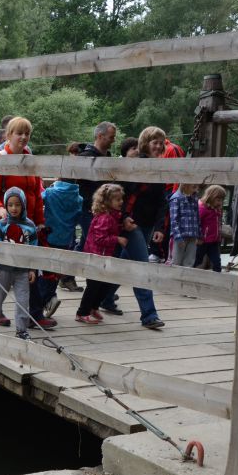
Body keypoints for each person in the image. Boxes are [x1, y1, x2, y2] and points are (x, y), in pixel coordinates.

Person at [0, 117, 53, 329]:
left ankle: (33, 313)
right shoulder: (1, 158)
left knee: (27, 267)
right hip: (0, 221)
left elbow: (36, 193)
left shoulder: (30, 159)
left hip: (26, 223)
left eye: (26, 134)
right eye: (18, 133)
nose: (23, 137)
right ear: (8, 135)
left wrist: (39, 222)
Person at [100, 126, 167, 329]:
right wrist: (125, 218)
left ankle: (105, 298)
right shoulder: (136, 165)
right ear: (145, 144)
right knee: (141, 268)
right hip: (131, 224)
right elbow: (123, 195)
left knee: (124, 264)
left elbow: (162, 201)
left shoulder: (160, 167)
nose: (158, 146)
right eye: (154, 142)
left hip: (146, 224)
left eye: (161, 142)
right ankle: (149, 315)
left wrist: (160, 227)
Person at [67, 122, 117, 292]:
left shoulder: (107, 157)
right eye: (111, 137)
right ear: (100, 136)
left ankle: (71, 277)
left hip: (100, 209)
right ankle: (83, 281)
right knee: (90, 241)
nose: (113, 140)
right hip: (87, 207)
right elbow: (76, 181)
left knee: (85, 242)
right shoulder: (86, 156)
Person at [0, 187, 38, 340]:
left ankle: (21, 330)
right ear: (6, 206)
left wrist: (33, 268)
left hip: (22, 270)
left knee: (23, 300)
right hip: (3, 268)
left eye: (18, 205)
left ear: (23, 206)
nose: (14, 208)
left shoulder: (30, 226)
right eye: (11, 205)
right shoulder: (1, 225)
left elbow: (34, 250)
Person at [75, 184, 129, 324]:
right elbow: (100, 239)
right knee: (93, 286)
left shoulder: (112, 216)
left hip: (103, 257)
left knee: (104, 285)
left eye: (121, 199)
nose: (121, 202)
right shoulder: (105, 217)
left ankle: (93, 307)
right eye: (117, 200)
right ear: (107, 202)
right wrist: (117, 239)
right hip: (95, 257)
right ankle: (82, 312)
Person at [40, 177, 82, 317]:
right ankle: (51, 296)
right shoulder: (78, 199)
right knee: (56, 272)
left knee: (44, 271)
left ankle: (48, 299)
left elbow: (39, 198)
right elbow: (78, 218)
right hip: (65, 240)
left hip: (48, 236)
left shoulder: (50, 193)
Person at [169, 183, 200, 268]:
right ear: (185, 185)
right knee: (176, 261)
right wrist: (178, 237)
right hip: (180, 236)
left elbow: (197, 217)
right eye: (193, 186)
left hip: (193, 235)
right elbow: (174, 220)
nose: (196, 189)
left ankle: (186, 280)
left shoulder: (194, 198)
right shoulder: (176, 199)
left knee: (189, 262)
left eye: (196, 186)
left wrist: (199, 235)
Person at [196, 185, 227, 272]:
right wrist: (199, 236)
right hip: (203, 241)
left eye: (222, 200)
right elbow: (197, 223)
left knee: (217, 262)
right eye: (218, 200)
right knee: (197, 260)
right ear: (211, 197)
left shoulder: (217, 209)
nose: (220, 202)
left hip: (214, 241)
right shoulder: (202, 208)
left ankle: (218, 277)